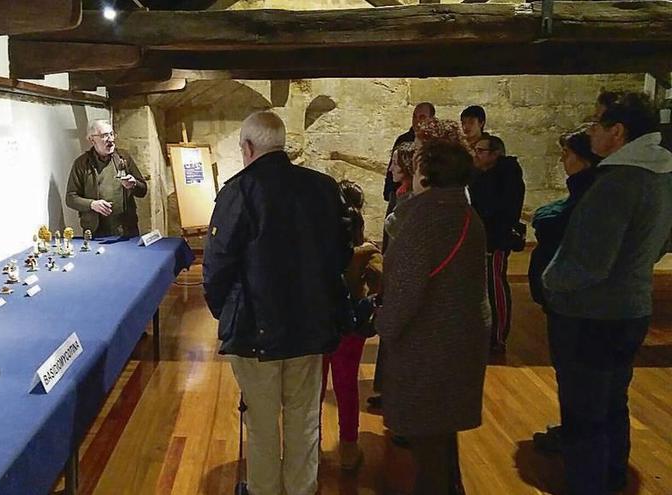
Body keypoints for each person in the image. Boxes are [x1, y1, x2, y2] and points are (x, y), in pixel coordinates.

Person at [203, 110, 352, 495]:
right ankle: (302, 488)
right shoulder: (322, 187)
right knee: (304, 417)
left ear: (248, 147)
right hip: (311, 325)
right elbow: (340, 255)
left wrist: (226, 311)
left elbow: (218, 266)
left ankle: (264, 490)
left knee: (262, 420)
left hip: (256, 330)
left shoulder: (237, 192)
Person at [542, 92, 672, 495]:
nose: (591, 131)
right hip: (631, 306)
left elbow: (587, 264)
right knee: (612, 404)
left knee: (584, 416)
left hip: (592, 316)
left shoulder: (618, 183)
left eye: (596, 123)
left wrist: (550, 278)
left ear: (618, 132)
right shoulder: (659, 175)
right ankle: (612, 476)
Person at [374, 139, 490, 495]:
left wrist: (382, 322)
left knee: (429, 456)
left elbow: (405, 295)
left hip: (428, 347)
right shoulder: (465, 210)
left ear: (427, 170)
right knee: (442, 439)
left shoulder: (423, 219)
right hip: (459, 340)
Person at [528, 125, 601, 453]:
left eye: (568, 154)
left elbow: (561, 225)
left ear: (584, 160)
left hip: (574, 302)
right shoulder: (587, 190)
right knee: (572, 377)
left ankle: (582, 447)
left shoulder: (594, 192)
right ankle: (576, 434)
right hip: (564, 299)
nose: (562, 159)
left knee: (578, 378)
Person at [321, 179, 383, 470]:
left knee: (312, 389)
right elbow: (383, 282)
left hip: (319, 324)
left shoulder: (316, 248)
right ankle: (348, 448)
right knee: (347, 388)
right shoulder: (365, 251)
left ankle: (310, 446)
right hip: (350, 326)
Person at [469, 135, 525, 353]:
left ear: (495, 154)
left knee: (495, 286)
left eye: (481, 151)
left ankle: (498, 336)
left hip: (495, 239)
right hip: (480, 238)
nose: (476, 154)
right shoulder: (479, 175)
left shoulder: (507, 176)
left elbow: (499, 208)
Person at [65, 119, 147, 237]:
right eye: (104, 136)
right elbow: (71, 198)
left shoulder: (123, 157)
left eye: (111, 134)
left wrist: (134, 184)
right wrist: (92, 204)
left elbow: (143, 190)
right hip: (96, 230)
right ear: (92, 140)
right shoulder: (82, 164)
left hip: (126, 228)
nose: (110, 139)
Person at [383, 102, 436, 212]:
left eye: (422, 117)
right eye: (414, 116)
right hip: (398, 191)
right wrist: (389, 192)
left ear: (431, 119)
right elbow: (392, 167)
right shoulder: (403, 139)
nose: (417, 121)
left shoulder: (435, 142)